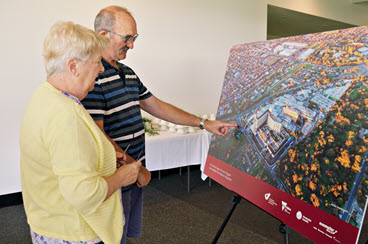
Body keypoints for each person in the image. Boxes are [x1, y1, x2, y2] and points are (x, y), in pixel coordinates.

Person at [81, 5, 237, 243]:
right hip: (116, 178)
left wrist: (204, 123)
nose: (132, 45)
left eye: (134, 38)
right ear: (103, 35)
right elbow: (99, 137)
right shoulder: (93, 77)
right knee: (109, 236)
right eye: (127, 38)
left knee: (123, 234)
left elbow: (157, 106)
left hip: (132, 173)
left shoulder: (128, 73)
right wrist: (136, 168)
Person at [20, 21, 142, 244]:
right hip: (72, 232)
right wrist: (122, 177)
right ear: (73, 66)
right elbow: (85, 196)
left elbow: (58, 158)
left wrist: (100, 155)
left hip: (49, 224)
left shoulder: (44, 96)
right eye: (97, 62)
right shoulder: (66, 115)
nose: (101, 69)